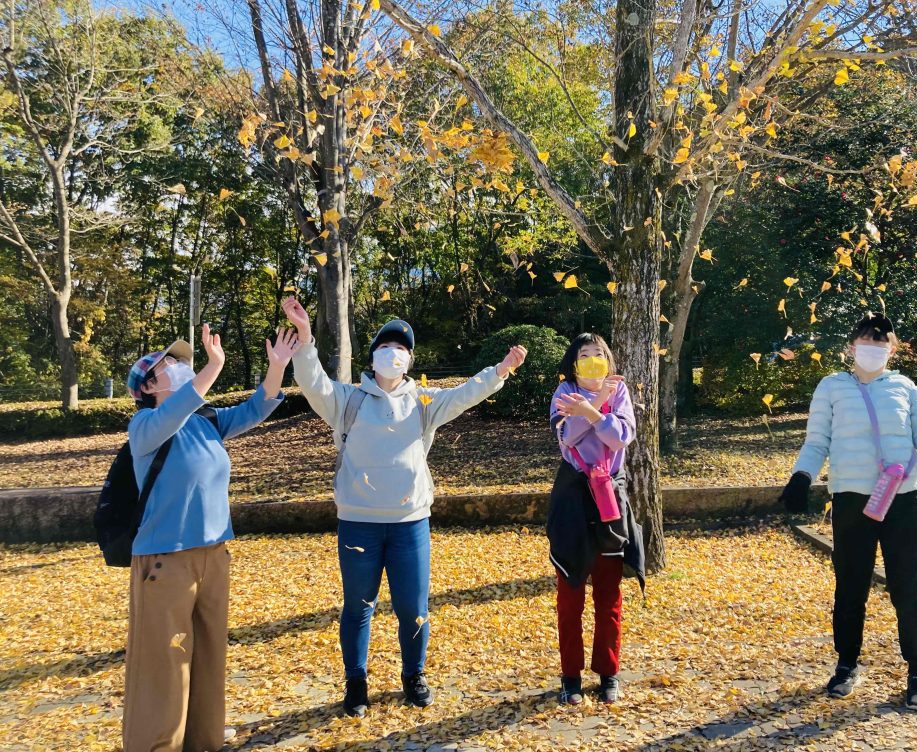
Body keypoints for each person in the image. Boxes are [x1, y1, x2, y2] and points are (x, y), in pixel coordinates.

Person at [281, 296, 527, 717]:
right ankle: (356, 682)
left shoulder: (423, 402)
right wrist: (305, 337)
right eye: (385, 345)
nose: (392, 352)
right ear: (373, 355)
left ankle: (414, 676)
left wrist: (500, 371)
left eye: (401, 348)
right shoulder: (347, 400)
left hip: (410, 523)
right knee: (358, 606)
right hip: (358, 523)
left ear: (409, 360)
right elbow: (313, 382)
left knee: (414, 608)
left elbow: (465, 394)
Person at [779, 313, 917, 711]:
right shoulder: (831, 387)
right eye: (866, 339)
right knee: (851, 584)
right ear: (851, 346)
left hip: (903, 498)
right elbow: (816, 442)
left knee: (911, 585)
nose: (873, 347)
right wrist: (801, 477)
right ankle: (847, 663)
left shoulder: (905, 388)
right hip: (852, 499)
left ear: (893, 349)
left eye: (881, 341)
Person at [122, 324, 297, 752]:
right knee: (164, 662)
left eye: (184, 362)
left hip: (214, 554)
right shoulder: (144, 425)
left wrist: (276, 368)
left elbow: (257, 407)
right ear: (147, 386)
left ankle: (203, 742)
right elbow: (175, 409)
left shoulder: (206, 423)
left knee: (207, 655)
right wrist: (212, 367)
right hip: (166, 562)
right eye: (171, 364)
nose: (182, 367)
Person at [547, 332, 645, 706]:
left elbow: (620, 437)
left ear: (608, 359)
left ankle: (609, 673)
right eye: (585, 355)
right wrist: (596, 406)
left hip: (609, 501)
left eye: (599, 354)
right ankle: (570, 676)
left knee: (609, 593)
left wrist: (590, 410)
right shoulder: (563, 393)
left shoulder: (620, 391)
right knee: (570, 595)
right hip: (573, 500)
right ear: (574, 363)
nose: (593, 360)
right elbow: (568, 437)